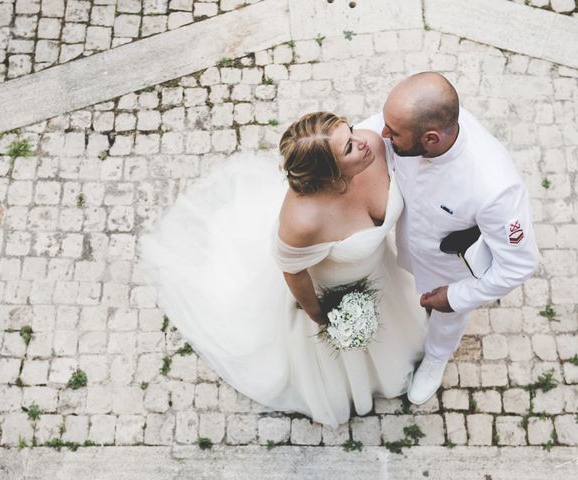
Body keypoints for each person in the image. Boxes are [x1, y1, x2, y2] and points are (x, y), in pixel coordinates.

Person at [140, 111, 428, 427]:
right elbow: (294, 274)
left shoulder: (372, 145)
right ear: (328, 175)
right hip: (339, 290)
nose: (362, 141)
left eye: (352, 131)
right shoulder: (301, 223)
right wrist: (321, 315)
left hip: (382, 272)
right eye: (348, 148)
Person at [355, 72, 539, 405]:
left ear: (431, 139)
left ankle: (437, 356)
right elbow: (369, 134)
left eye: (393, 132)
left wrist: (455, 296)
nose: (384, 134)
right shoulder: (414, 126)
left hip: (448, 268)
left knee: (448, 318)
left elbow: (520, 265)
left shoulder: (495, 188)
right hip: (407, 239)